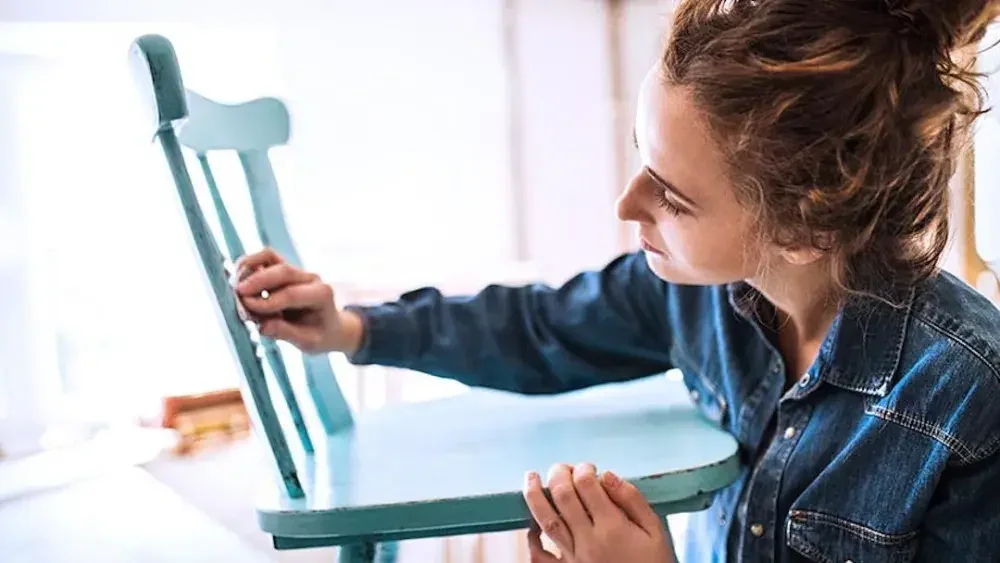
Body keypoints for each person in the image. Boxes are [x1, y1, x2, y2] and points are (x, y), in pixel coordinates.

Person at [233, 0, 1000, 560]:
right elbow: (543, 328)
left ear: (805, 229)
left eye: (672, 193)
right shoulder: (694, 293)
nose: (626, 201)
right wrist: (353, 329)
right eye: (641, 153)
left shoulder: (970, 398)